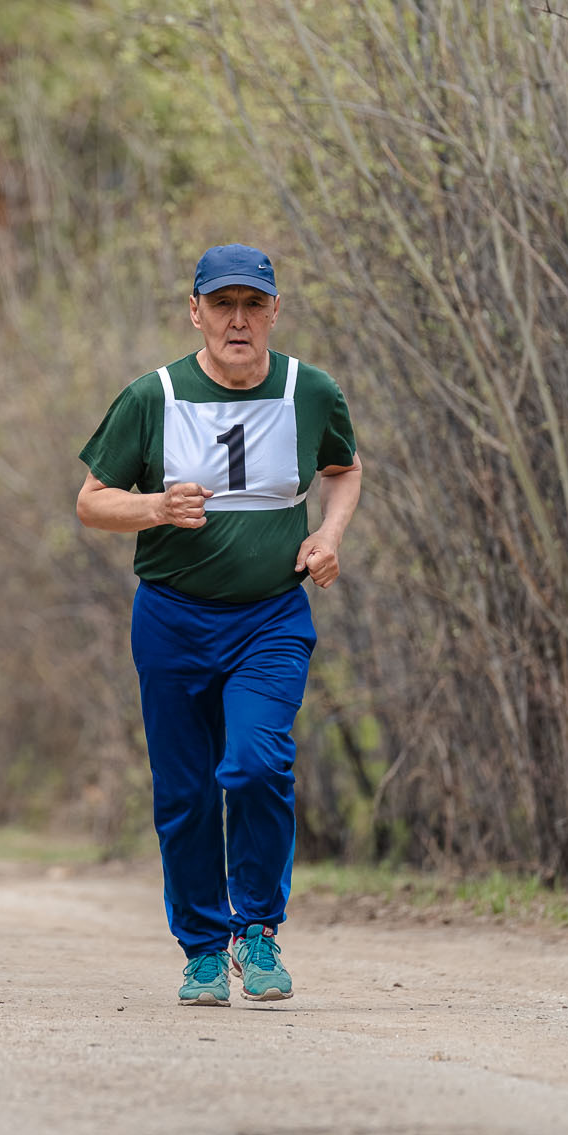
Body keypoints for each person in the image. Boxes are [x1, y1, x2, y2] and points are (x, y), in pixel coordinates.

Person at [75, 243, 363, 1007]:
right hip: (172, 618)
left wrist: (327, 537)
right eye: (223, 304)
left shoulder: (310, 389)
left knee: (257, 763)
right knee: (186, 791)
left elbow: (343, 468)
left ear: (276, 310)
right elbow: (91, 498)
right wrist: (154, 506)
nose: (239, 320)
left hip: (270, 615)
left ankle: (259, 931)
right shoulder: (154, 395)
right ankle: (204, 948)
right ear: (194, 310)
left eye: (253, 304)